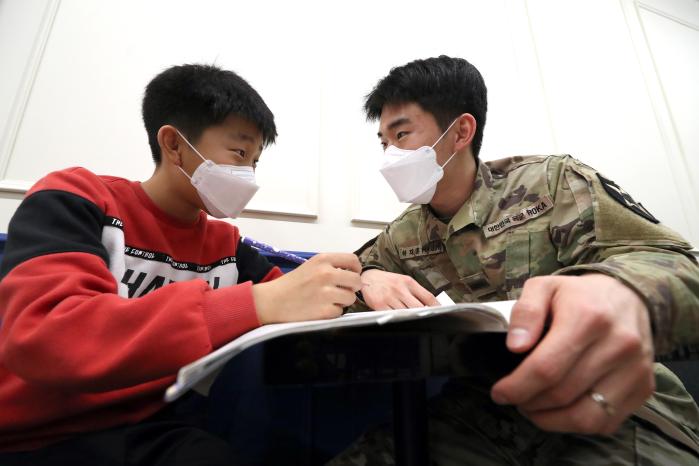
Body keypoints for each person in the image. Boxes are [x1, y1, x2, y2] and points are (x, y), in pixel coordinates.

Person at [330, 56, 699, 464]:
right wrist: (369, 277)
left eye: (401, 135)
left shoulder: (552, 183)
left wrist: (620, 291)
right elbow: (343, 278)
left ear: (460, 132)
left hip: (612, 400)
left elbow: (673, 262)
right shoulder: (404, 233)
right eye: (384, 142)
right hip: (481, 411)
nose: (389, 155)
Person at [0, 64, 362, 465]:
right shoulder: (78, 197)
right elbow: (48, 335)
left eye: (255, 161)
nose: (248, 175)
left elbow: (299, 298)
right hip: (30, 433)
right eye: (239, 153)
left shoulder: (227, 246)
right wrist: (253, 304)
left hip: (148, 427)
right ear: (174, 144)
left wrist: (366, 280)